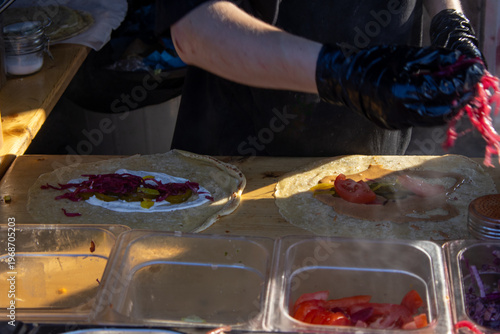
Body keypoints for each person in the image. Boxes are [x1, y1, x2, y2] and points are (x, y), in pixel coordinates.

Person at [158, 0, 485, 156]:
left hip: (369, 154)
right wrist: (341, 74)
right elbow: (195, 29)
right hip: (237, 155)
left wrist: (450, 18)